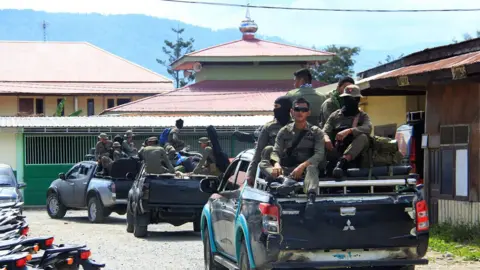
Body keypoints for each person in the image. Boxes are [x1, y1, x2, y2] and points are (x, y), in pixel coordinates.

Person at [267, 98, 325, 204]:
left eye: (304, 110)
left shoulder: (316, 132)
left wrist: (302, 166)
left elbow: (319, 154)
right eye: (297, 109)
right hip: (287, 169)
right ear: (292, 112)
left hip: (306, 169)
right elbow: (276, 151)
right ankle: (284, 182)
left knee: (312, 168)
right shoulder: (284, 131)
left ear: (308, 112)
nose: (300, 112)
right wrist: (276, 164)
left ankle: (311, 199)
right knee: (265, 162)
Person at [322, 85, 372, 179]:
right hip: (336, 149)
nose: (348, 101)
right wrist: (327, 139)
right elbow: (325, 131)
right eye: (346, 98)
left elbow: (368, 127)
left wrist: (349, 131)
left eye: (352, 99)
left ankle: (342, 162)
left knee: (363, 137)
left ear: (358, 100)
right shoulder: (335, 116)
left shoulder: (362, 116)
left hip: (356, 153)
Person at [246, 96, 293, 186]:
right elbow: (259, 150)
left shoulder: (296, 125)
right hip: (273, 167)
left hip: (292, 165)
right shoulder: (269, 127)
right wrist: (251, 174)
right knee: (268, 149)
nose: (274, 110)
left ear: (286, 108)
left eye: (277, 107)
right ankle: (281, 179)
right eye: (274, 107)